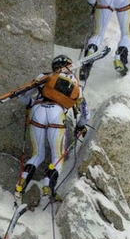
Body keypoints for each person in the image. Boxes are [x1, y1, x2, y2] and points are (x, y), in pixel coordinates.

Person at [15, 54, 89, 199]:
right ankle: (48, 185)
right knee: (57, 156)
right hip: (57, 112)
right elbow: (85, 112)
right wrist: (80, 126)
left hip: (37, 111)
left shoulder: (44, 77)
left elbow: (22, 95)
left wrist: (31, 104)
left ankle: (22, 182)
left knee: (37, 154)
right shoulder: (75, 84)